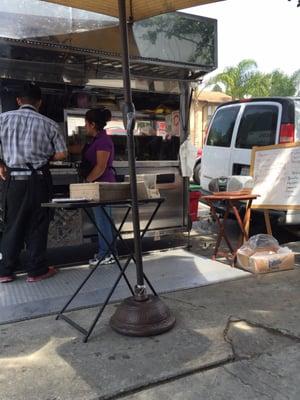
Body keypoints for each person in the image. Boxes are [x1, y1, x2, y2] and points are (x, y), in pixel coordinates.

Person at [0, 82, 67, 283]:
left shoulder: (3, 119)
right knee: (37, 224)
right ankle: (36, 270)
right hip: (38, 179)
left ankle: (5, 271)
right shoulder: (49, 123)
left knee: (12, 223)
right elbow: (63, 153)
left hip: (14, 181)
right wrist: (46, 159)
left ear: (19, 101)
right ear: (39, 102)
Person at [70, 108, 116, 267]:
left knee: (103, 220)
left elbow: (101, 167)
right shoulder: (97, 140)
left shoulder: (103, 141)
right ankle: (110, 253)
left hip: (102, 185)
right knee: (105, 220)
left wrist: (87, 181)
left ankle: (105, 254)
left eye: (86, 124)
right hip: (99, 184)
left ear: (93, 124)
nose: (85, 127)